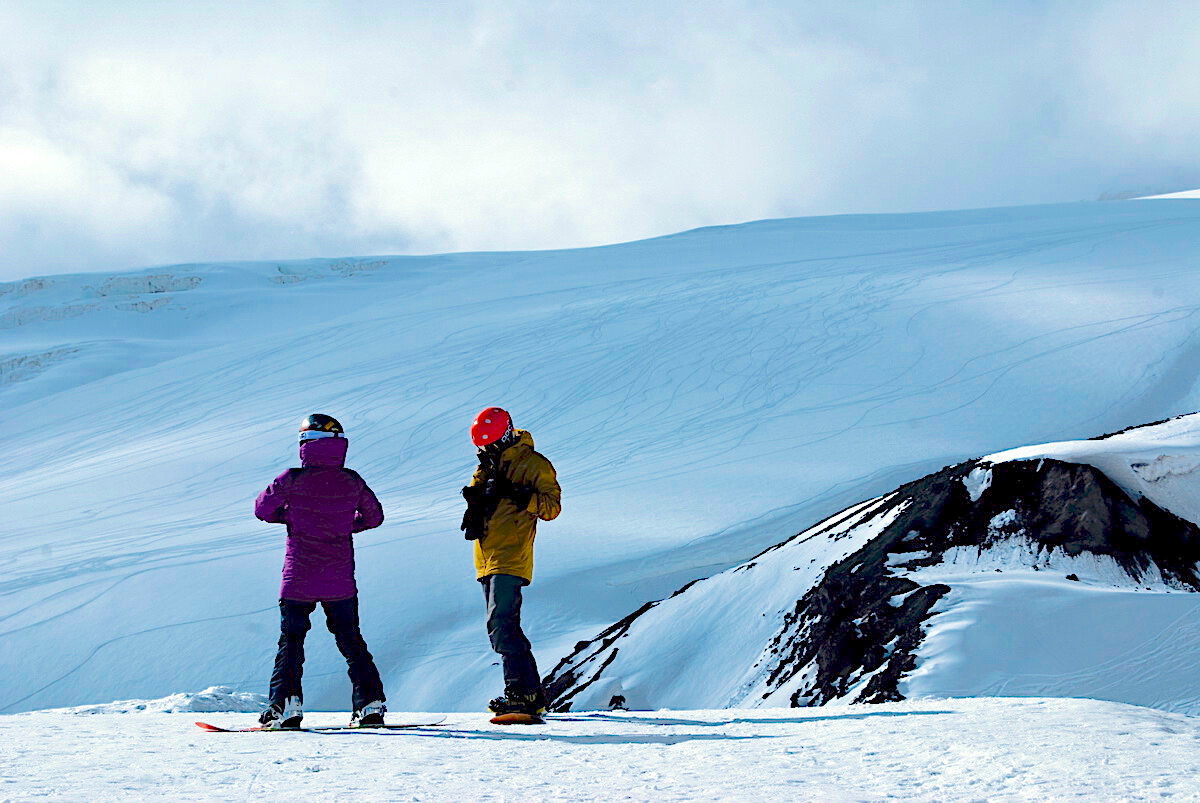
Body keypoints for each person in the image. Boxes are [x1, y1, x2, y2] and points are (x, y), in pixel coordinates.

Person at [253, 414, 388, 729]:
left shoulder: (292, 479)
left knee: (292, 642)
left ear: (305, 444)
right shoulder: (352, 480)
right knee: (351, 641)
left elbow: (262, 509)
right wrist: (345, 526)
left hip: (298, 578)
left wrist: (291, 518)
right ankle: (370, 705)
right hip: (339, 580)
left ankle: (285, 708)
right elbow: (375, 517)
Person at [461, 407, 562, 716]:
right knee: (499, 627)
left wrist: (522, 496)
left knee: (503, 624)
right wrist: (475, 507)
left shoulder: (533, 464)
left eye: (490, 444)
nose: (486, 450)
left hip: (511, 555)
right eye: (482, 446)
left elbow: (552, 508)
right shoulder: (487, 466)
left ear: (504, 435)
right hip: (488, 557)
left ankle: (522, 692)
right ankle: (529, 693)